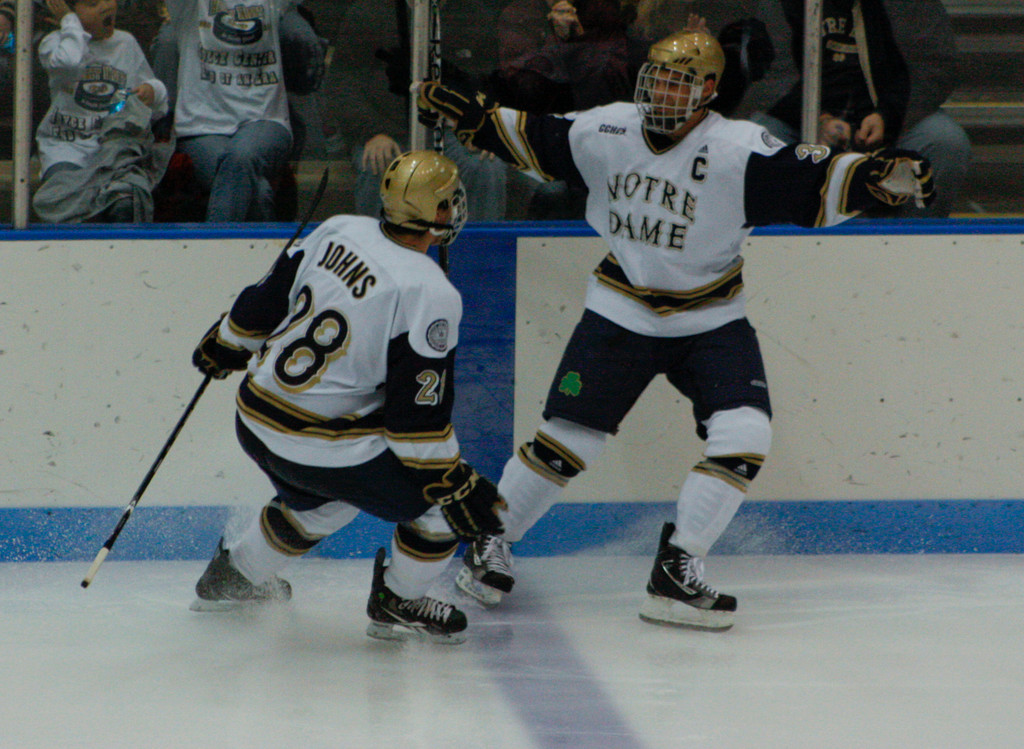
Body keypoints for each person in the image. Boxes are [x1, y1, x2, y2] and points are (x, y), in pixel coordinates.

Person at [417, 30, 933, 630]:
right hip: (621, 309)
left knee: (745, 435)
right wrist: (478, 118)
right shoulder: (608, 129)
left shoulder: (740, 150)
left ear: (709, 91)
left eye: (677, 81)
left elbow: (814, 178)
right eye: (655, 78)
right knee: (567, 441)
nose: (660, 91)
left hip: (711, 319)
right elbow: (539, 137)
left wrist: (880, 176)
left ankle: (677, 567)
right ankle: (492, 538)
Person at [189, 150, 506, 644]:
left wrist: (228, 343)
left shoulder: (339, 227)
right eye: (449, 201)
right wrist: (454, 480)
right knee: (440, 508)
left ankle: (235, 577)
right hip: (316, 444)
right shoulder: (430, 291)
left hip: (254, 417)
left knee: (325, 504)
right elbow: (413, 424)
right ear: (438, 213)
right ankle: (397, 602)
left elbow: (265, 299)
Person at [754, 0, 969, 217]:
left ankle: (917, 243)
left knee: (944, 140)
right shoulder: (780, 4)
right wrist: (816, 119)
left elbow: (937, 65)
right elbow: (768, 73)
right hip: (804, 123)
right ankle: (783, 243)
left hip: (892, 124)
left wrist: (888, 115)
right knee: (756, 140)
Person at [327, 0, 509, 223]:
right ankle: (377, 254)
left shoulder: (473, 15)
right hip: (386, 132)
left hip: (451, 133)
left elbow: (489, 82)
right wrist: (372, 133)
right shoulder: (369, 11)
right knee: (380, 167)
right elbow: (342, 84)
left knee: (485, 166)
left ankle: (479, 254)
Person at [31, 0, 169, 223]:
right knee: (68, 203)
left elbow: (154, 100)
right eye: (93, 3)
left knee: (125, 203)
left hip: (113, 151)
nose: (106, 6)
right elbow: (69, 61)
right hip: (65, 148)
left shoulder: (125, 42)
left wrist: (153, 91)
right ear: (64, 15)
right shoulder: (53, 44)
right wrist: (70, 23)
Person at [157, 0, 295, 222]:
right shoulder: (190, 6)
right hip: (202, 128)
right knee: (257, 193)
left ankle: (210, 252)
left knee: (241, 155)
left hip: (265, 119)